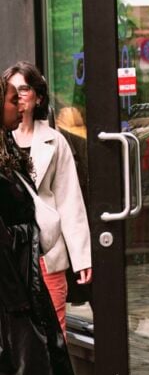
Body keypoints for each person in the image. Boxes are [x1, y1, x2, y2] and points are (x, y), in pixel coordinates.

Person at [0, 73, 97, 375]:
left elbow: (68, 201)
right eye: (9, 96)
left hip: (24, 267)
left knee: (41, 351)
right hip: (12, 272)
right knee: (36, 351)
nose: (16, 102)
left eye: (21, 94)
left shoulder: (18, 145)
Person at [4, 63, 92, 338]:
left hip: (47, 253)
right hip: (11, 255)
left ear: (38, 97)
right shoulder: (3, 139)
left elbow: (69, 201)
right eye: (12, 91)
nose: (18, 97)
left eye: (25, 89)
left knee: (55, 335)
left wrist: (81, 257)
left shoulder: (55, 141)